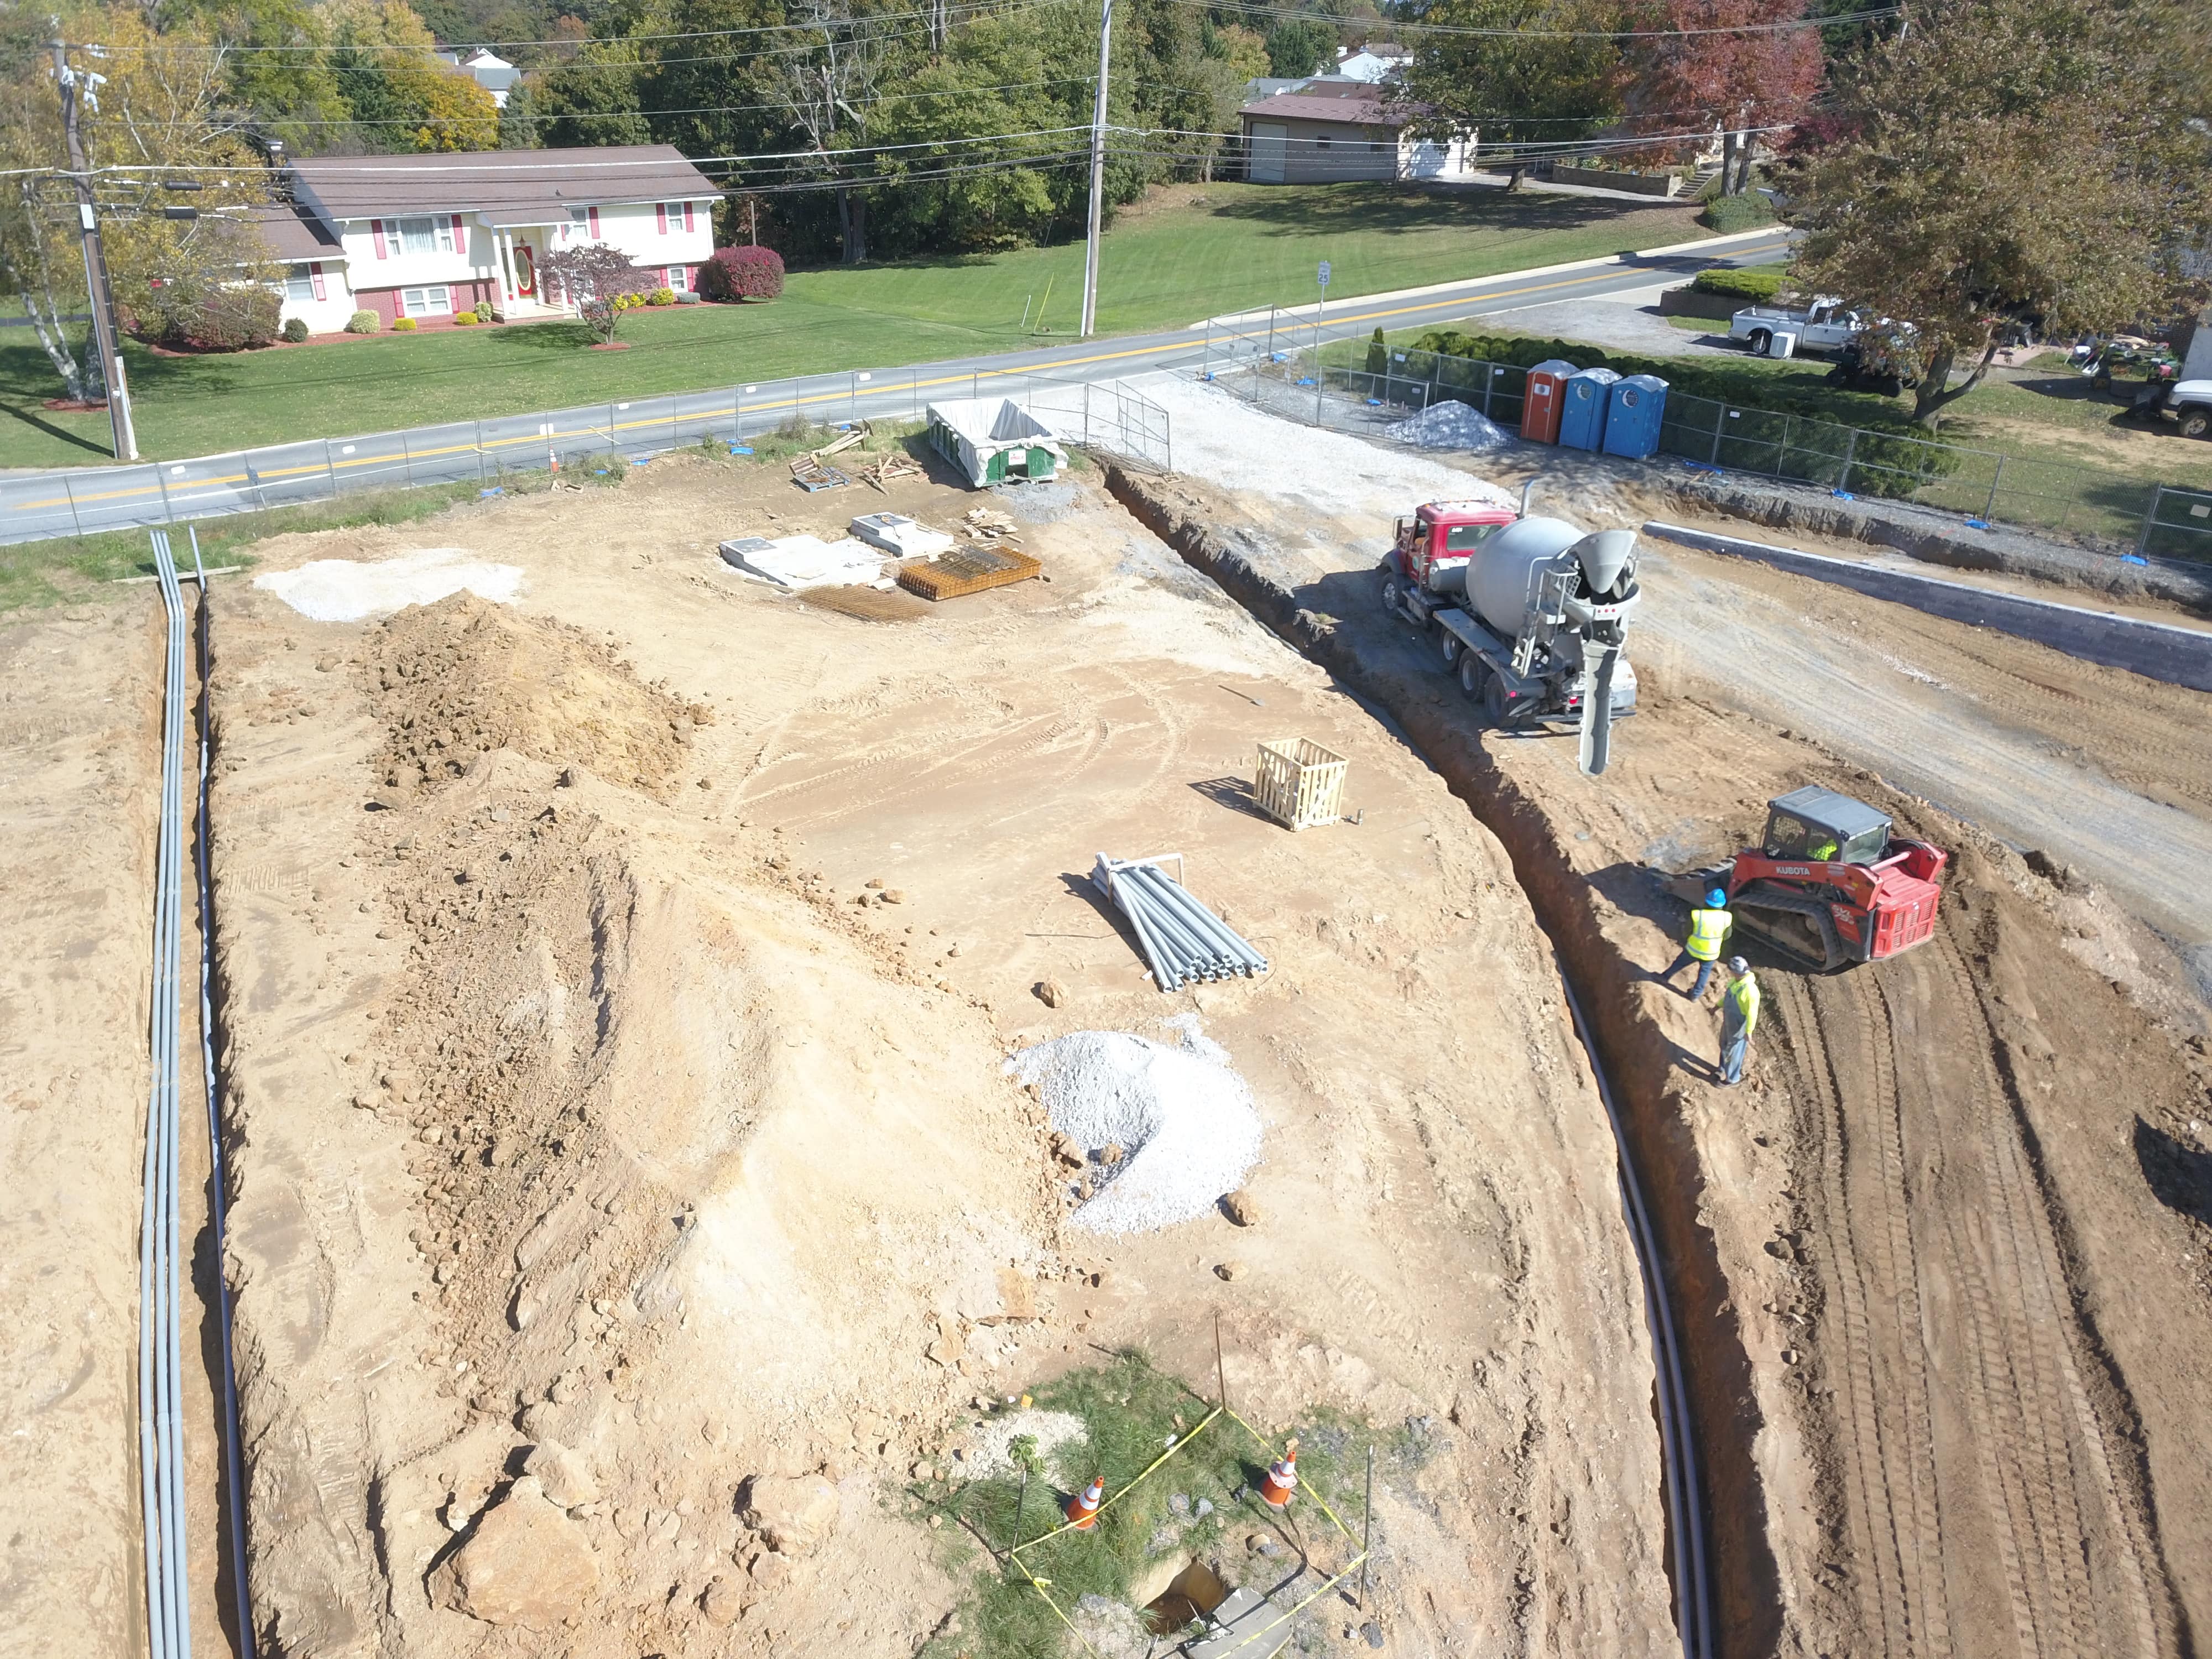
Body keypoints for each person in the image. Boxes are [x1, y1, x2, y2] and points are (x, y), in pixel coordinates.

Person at [1664, 889, 1732, 999]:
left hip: (1694, 949)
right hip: (1712, 953)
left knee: (1679, 963)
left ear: (1707, 902)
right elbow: (1728, 935)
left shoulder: (1698, 915)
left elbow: (1687, 930)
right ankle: (1695, 995)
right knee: (1704, 974)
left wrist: (1688, 938)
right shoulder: (1726, 918)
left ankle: (1665, 977)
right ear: (1722, 905)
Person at [1719, 957, 1760, 1086]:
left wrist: (1749, 1031)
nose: (1730, 973)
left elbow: (1752, 1013)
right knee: (1724, 1044)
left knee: (1734, 1051)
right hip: (1729, 1021)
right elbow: (1728, 997)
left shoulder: (1750, 991)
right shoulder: (1735, 982)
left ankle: (1732, 1079)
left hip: (1739, 1025)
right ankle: (1721, 1069)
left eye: (1732, 971)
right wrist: (1717, 1005)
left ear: (1737, 972)